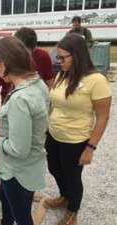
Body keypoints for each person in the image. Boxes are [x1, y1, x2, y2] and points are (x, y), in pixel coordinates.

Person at [44, 33, 111, 225]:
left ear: (78, 56)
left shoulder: (96, 80)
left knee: (72, 176)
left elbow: (103, 117)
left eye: (63, 57)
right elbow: (54, 103)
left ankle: (73, 209)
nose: (59, 60)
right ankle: (64, 196)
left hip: (75, 139)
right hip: (55, 134)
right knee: (54, 168)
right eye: (58, 56)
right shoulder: (62, 74)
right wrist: (46, 128)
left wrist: (90, 148)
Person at [0, 36, 50, 225]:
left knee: (22, 216)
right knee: (5, 198)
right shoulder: (36, 83)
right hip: (27, 166)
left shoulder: (20, 99)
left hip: (18, 171)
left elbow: (19, 150)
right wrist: (4, 119)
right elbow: (33, 119)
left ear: (3, 64)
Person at [0, 27, 53, 119]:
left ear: (34, 48)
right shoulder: (4, 61)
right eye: (17, 51)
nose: (21, 56)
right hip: (9, 109)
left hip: (34, 110)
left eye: (25, 53)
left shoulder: (43, 57)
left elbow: (50, 85)